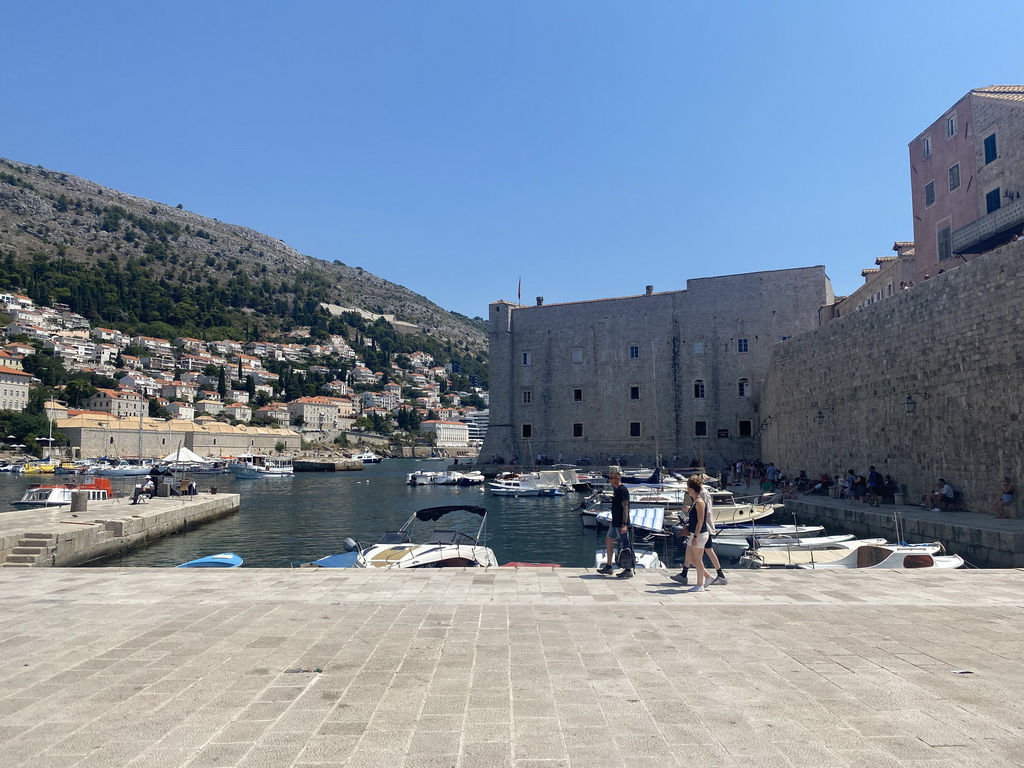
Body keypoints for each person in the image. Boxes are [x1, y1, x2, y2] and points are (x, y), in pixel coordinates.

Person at [598, 471, 630, 576]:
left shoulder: (623, 490)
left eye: (611, 478)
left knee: (624, 545)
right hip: (614, 521)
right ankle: (608, 566)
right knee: (608, 540)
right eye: (609, 478)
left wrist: (624, 524)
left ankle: (628, 569)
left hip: (621, 522)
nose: (609, 480)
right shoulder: (616, 490)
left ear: (617, 478)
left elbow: (625, 507)